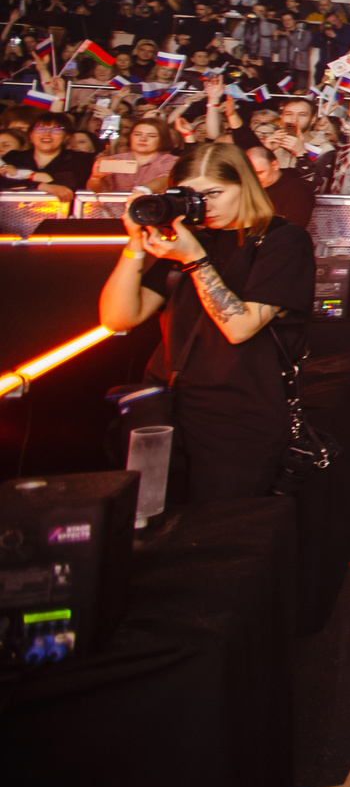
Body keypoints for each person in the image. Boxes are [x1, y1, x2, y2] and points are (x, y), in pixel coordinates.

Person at [98, 140, 315, 501]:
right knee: (157, 517)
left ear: (245, 184)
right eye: (192, 196)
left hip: (238, 414)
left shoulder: (283, 241)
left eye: (214, 193)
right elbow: (118, 318)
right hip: (169, 405)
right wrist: (134, 244)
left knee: (221, 522)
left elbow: (239, 328)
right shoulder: (191, 241)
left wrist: (195, 261)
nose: (205, 205)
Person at [2, 110, 93, 192]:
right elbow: (3, 183)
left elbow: (71, 182)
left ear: (66, 136)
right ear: (31, 135)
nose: (47, 134)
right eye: (40, 129)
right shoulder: (13, 158)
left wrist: (25, 176)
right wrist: (40, 186)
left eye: (56, 130)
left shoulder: (81, 159)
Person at [89, 115, 179, 193]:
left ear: (162, 139)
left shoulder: (170, 161)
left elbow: (164, 180)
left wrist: (143, 191)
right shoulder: (113, 160)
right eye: (137, 134)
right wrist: (96, 178)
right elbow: (97, 190)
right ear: (130, 137)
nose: (143, 139)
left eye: (151, 136)